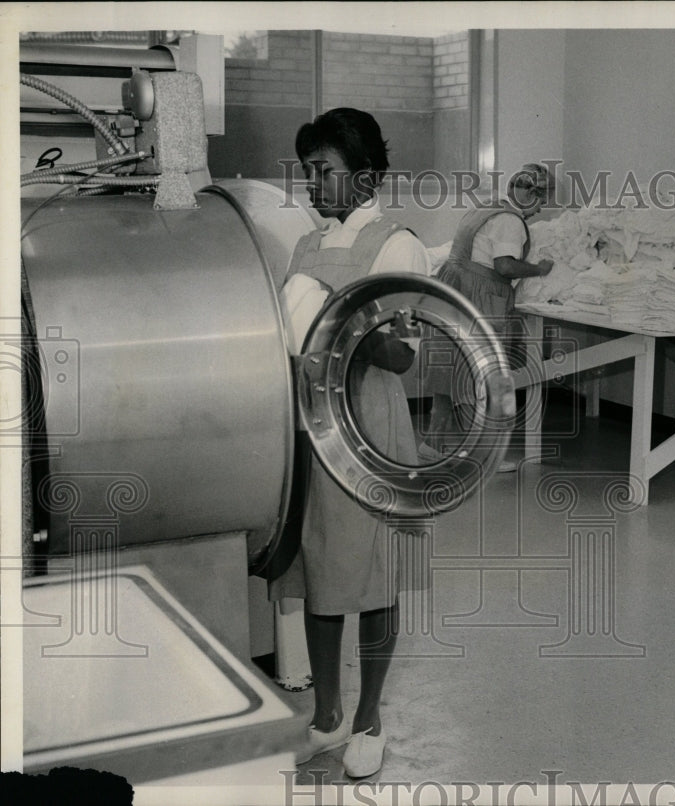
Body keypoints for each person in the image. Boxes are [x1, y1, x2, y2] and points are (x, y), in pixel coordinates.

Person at [270, 107, 431, 778]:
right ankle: (328, 715)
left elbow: (404, 357)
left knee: (372, 575)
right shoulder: (306, 248)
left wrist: (342, 324)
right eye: (306, 170)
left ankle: (369, 720)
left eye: (324, 171)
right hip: (313, 423)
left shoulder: (397, 246)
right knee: (318, 566)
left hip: (369, 425)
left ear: (363, 177)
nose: (312, 183)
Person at [420, 163, 555, 471]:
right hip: (480, 295)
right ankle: (482, 456)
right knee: (480, 372)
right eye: (543, 199)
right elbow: (504, 266)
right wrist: (538, 269)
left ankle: (433, 442)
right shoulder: (510, 221)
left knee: (449, 369)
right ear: (530, 195)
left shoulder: (487, 208)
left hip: (454, 285)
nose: (541, 208)